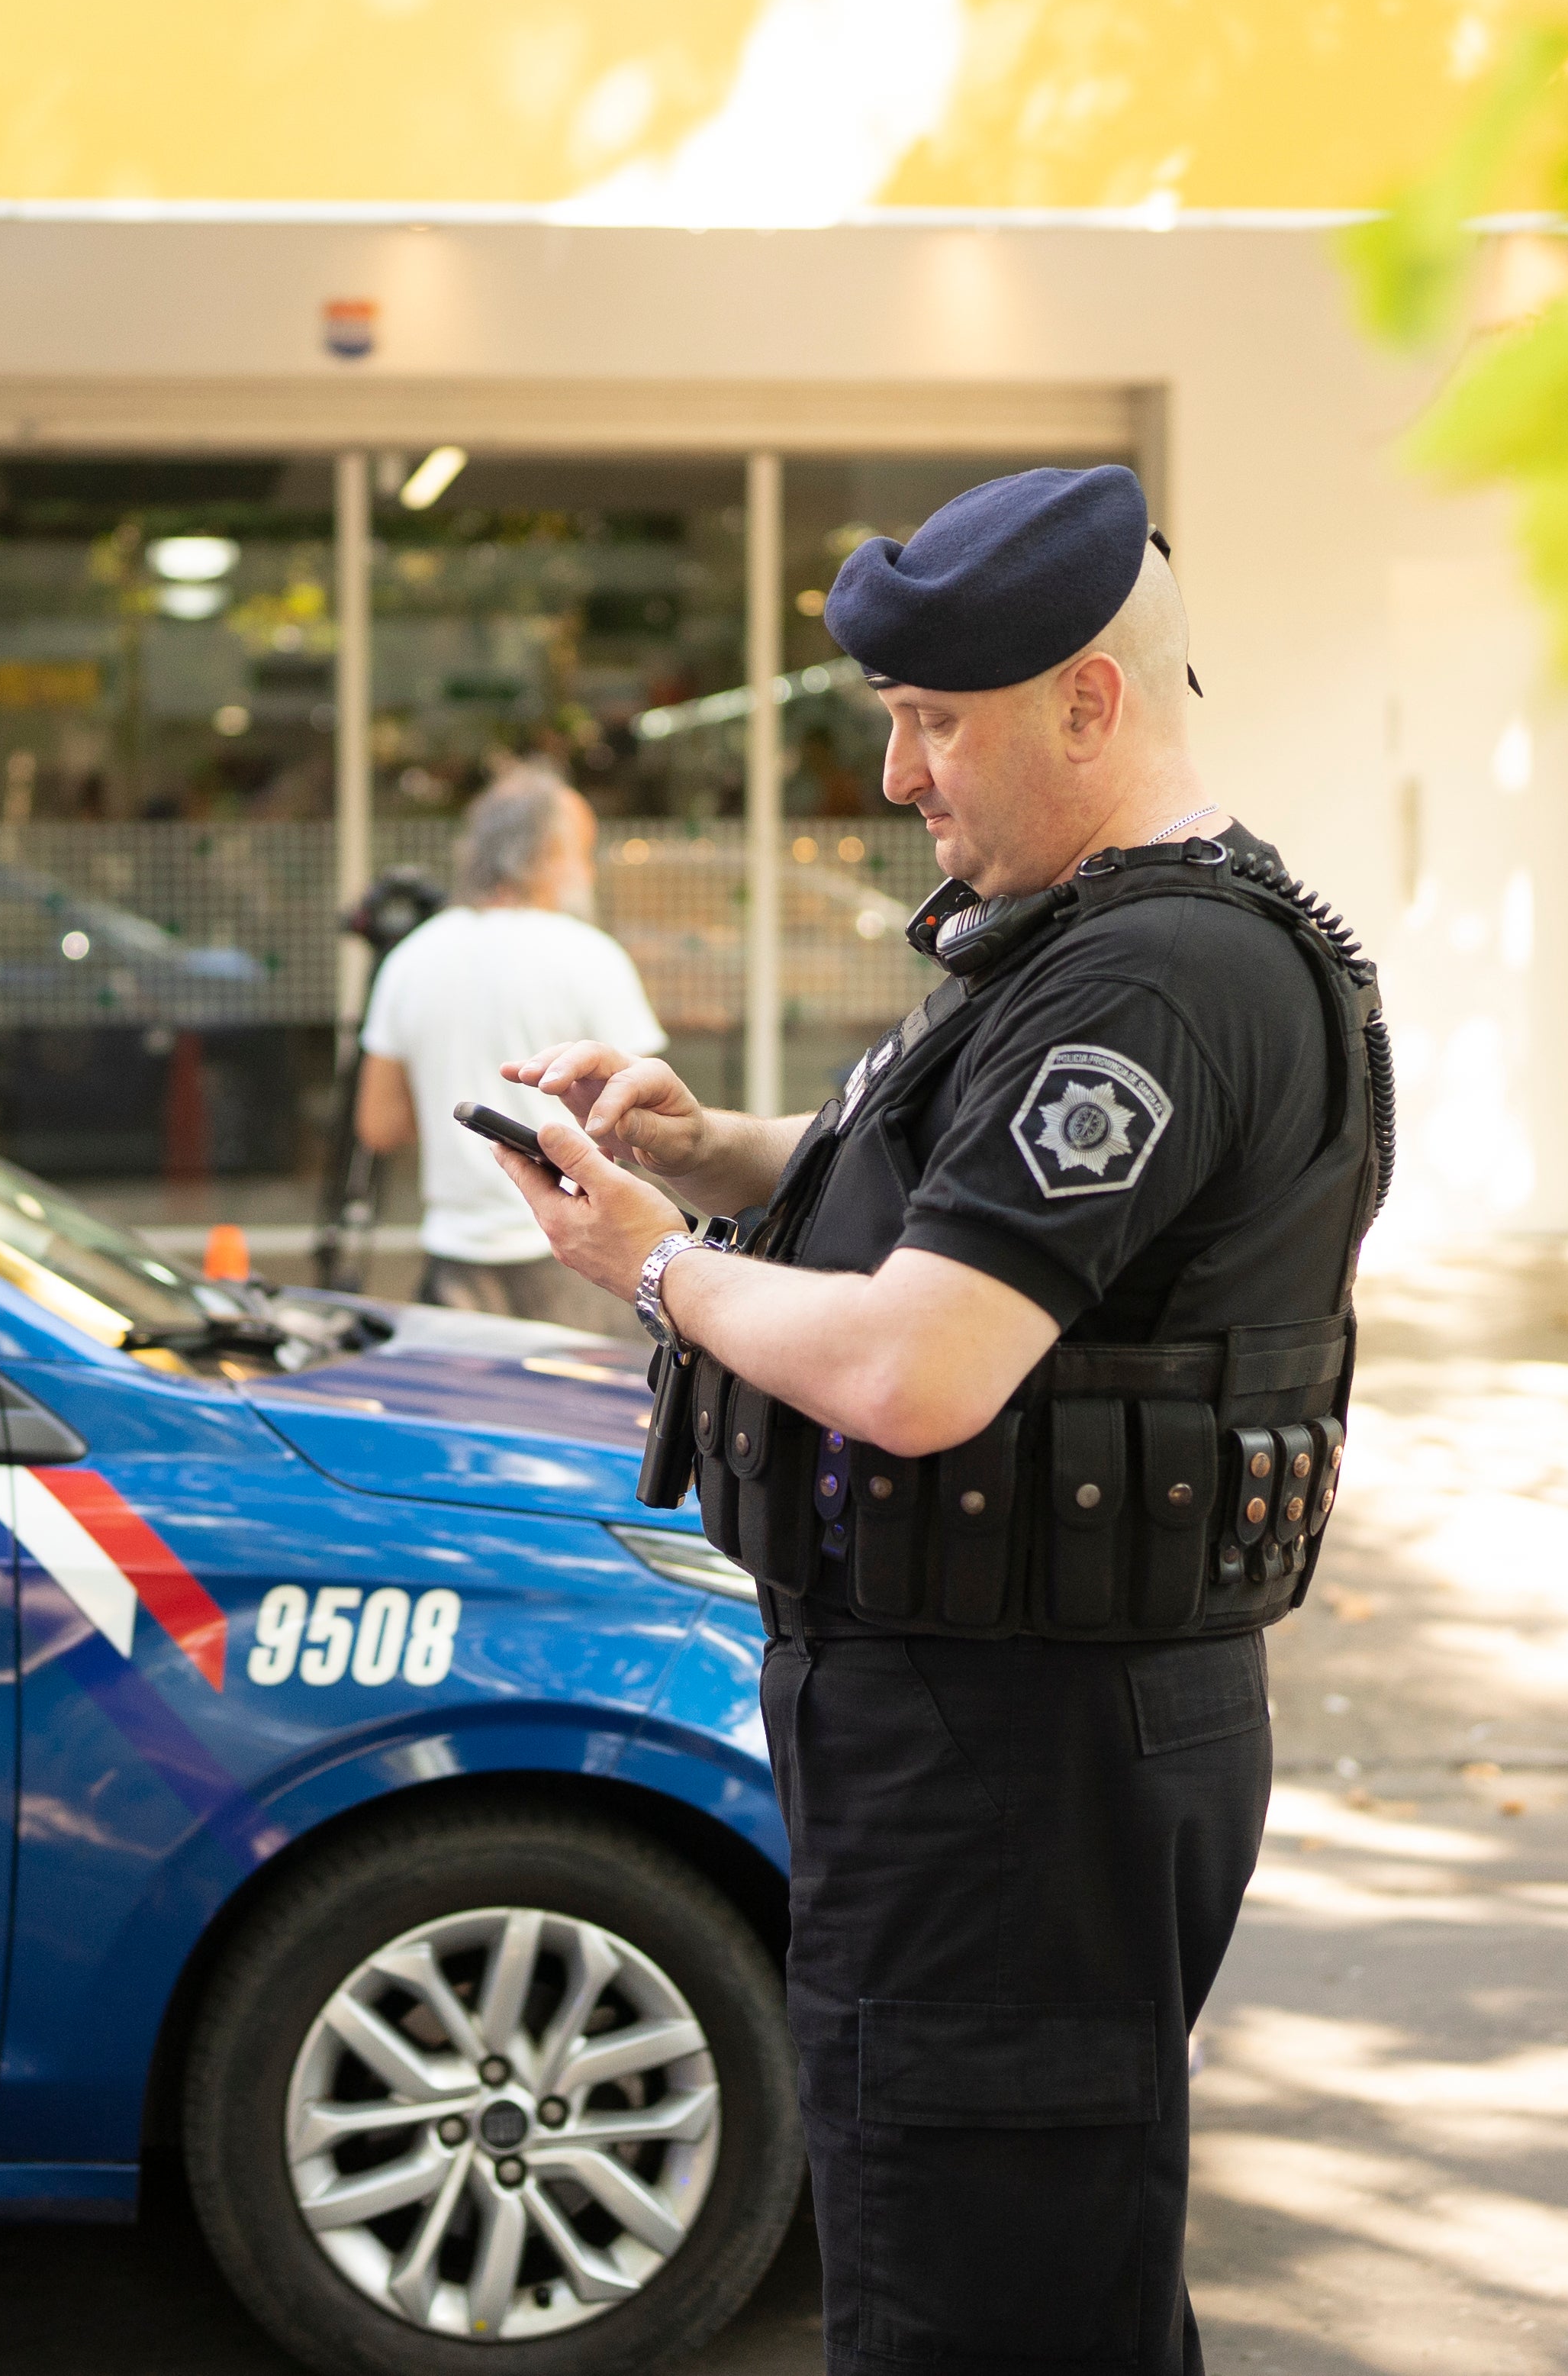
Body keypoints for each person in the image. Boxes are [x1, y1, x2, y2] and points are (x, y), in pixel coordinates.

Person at [488, 465, 1386, 2376]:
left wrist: (653, 1262)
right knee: (1048, 2281)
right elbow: (957, 1203)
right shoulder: (1117, 938)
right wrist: (701, 1144)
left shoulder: (1141, 979)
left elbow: (919, 1369)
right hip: (1024, 1735)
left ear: (1087, 701)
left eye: (930, 723)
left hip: (1007, 1758)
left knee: (970, 2306)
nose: (897, 777)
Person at [348, 765, 668, 1334]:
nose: (588, 872)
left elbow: (379, 1125)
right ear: (547, 855)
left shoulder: (411, 959)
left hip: (454, 1264)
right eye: (582, 853)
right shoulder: (591, 957)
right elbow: (646, 1122)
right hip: (578, 1261)